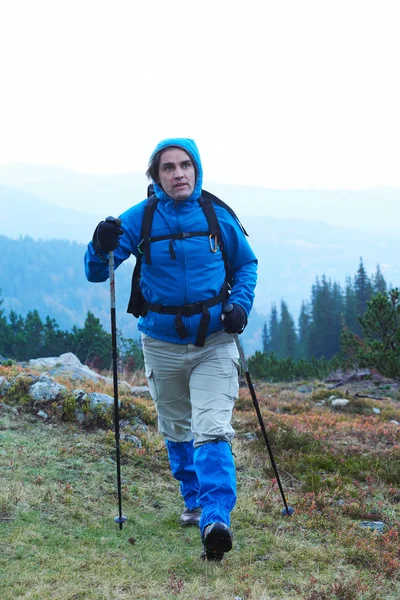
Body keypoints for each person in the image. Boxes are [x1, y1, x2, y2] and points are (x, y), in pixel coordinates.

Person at [84, 138, 257, 561]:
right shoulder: (140, 219)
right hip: (160, 343)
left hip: (215, 340)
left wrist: (240, 307)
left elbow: (246, 264)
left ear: (197, 171)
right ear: (156, 176)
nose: (178, 173)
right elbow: (96, 271)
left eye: (185, 166)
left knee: (212, 428)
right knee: (177, 428)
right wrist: (100, 243)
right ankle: (194, 498)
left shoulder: (217, 216)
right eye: (168, 168)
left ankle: (216, 518)